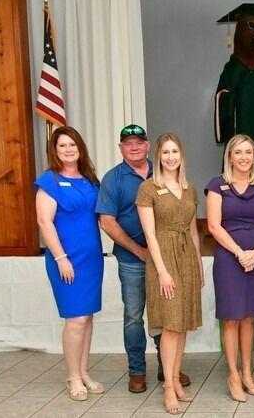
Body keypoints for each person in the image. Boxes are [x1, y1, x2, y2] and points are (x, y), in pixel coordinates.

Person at [96, 124, 191, 393]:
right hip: (132, 259)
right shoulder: (113, 179)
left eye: (139, 142)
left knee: (166, 314)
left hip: (169, 258)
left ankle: (168, 368)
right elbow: (107, 222)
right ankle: (137, 370)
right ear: (121, 148)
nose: (134, 147)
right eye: (128, 143)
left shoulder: (162, 169)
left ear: (149, 146)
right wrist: (140, 252)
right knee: (134, 316)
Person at [35, 126, 105, 401]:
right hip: (66, 259)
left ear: (80, 148)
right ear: (55, 150)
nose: (68, 149)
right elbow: (44, 222)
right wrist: (61, 258)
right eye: (62, 145)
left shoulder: (90, 180)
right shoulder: (49, 181)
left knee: (86, 318)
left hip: (91, 259)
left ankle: (84, 372)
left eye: (72, 145)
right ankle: (72, 376)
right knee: (75, 319)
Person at [136, 133, 203, 415]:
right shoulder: (148, 188)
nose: (171, 157)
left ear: (181, 156)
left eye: (175, 151)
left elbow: (193, 230)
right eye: (165, 152)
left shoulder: (190, 189)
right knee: (170, 325)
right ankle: (167, 387)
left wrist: (198, 266)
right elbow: (149, 235)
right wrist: (162, 271)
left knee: (182, 323)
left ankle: (176, 380)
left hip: (187, 256)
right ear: (158, 156)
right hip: (163, 257)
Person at [206, 134, 254, 401]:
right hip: (228, 258)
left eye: (249, 152)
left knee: (249, 318)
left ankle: (248, 372)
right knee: (232, 317)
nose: (244, 157)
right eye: (239, 152)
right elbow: (213, 226)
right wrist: (239, 253)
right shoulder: (217, 185)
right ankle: (233, 375)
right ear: (230, 157)